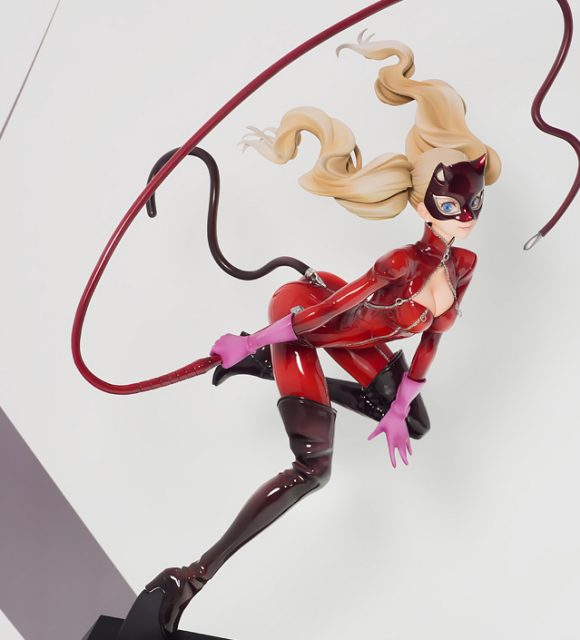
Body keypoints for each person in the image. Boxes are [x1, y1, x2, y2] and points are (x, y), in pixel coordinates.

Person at [142, 33, 501, 636]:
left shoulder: (462, 265)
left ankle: (267, 371)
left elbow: (431, 340)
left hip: (350, 336)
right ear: (422, 205)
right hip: (309, 318)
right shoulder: (398, 263)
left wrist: (400, 405)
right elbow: (317, 318)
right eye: (450, 204)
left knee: (414, 422)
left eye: (474, 204)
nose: (465, 216)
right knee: (314, 469)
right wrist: (251, 342)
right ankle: (186, 579)